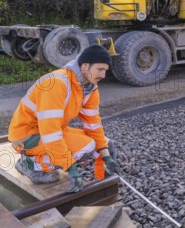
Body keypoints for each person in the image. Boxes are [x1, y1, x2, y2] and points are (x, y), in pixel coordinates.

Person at [8, 44, 121, 193]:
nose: (103, 75)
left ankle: (101, 177)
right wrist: (70, 167)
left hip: (49, 133)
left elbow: (93, 125)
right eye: (100, 69)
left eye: (105, 70)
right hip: (26, 136)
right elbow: (51, 133)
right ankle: (29, 164)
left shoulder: (90, 88)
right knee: (85, 148)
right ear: (85, 66)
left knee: (103, 144)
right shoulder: (56, 84)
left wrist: (106, 157)